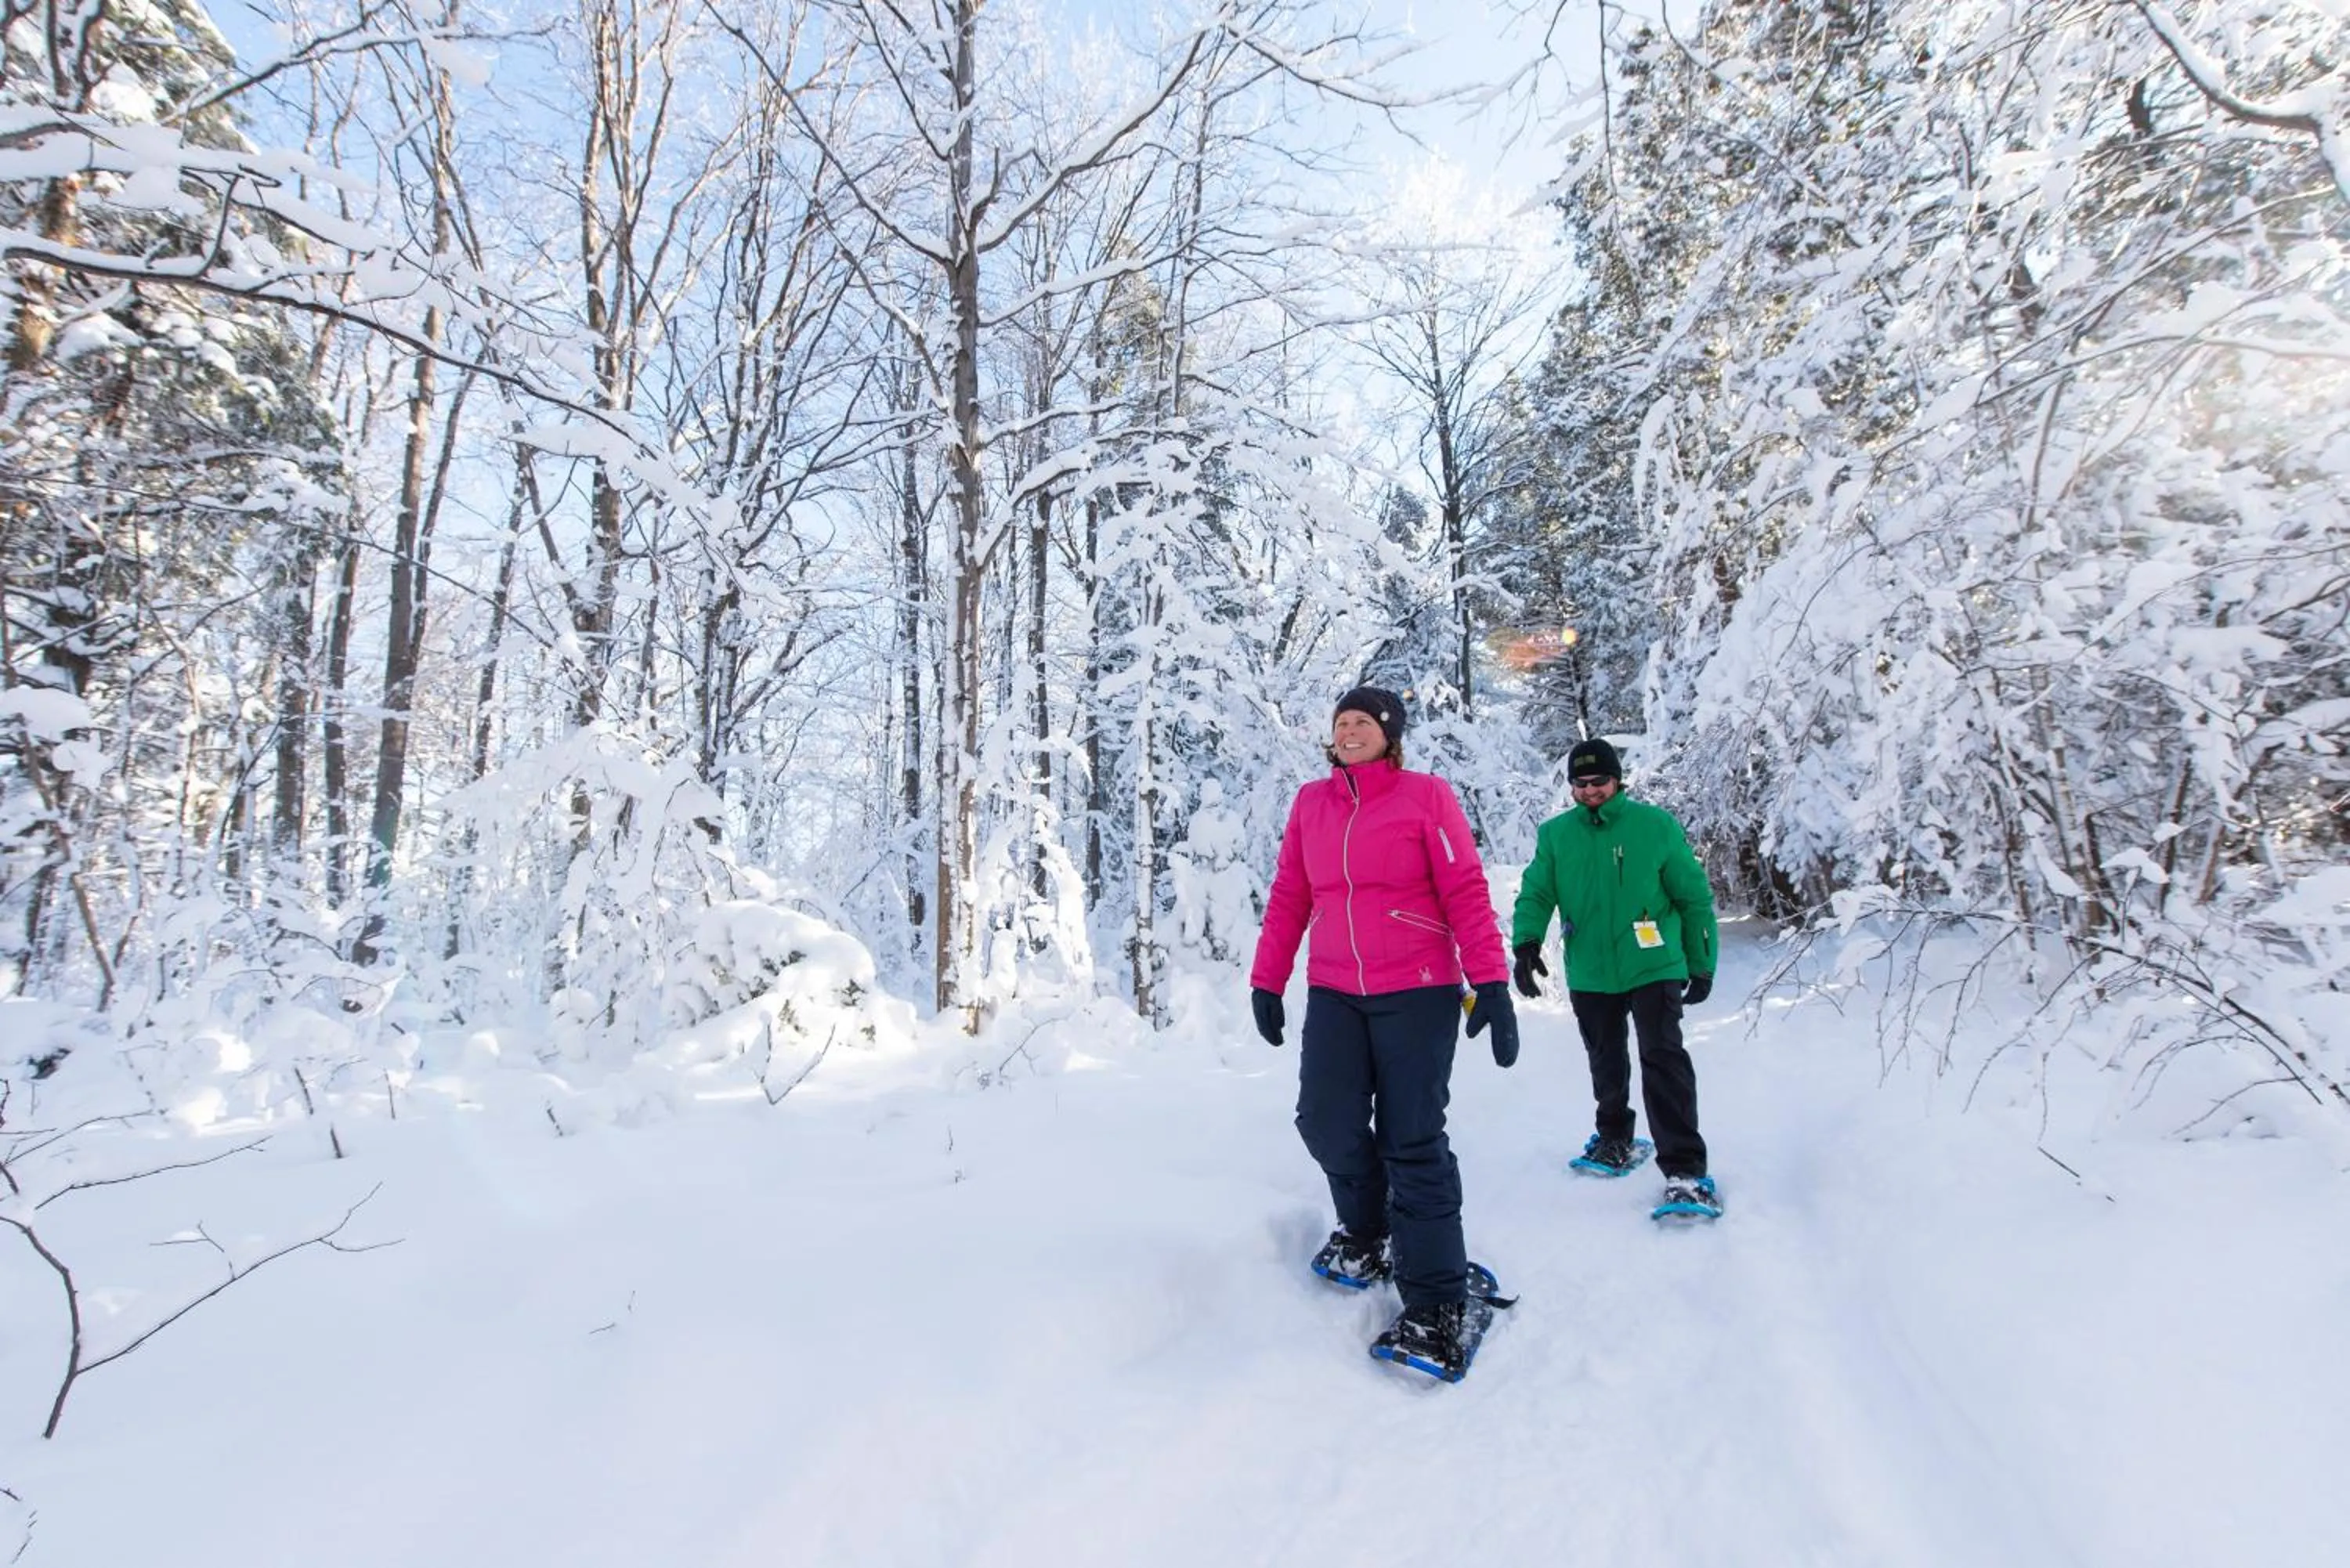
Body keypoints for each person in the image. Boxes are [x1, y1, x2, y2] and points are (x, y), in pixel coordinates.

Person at [1249, 685, 1518, 1372]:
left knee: (1412, 1140)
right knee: (1324, 1121)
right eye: (1342, 721)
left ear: (1389, 733)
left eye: (1363, 721)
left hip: (1418, 990)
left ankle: (1436, 1302)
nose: (1349, 730)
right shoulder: (1312, 804)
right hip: (1336, 990)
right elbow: (1291, 894)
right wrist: (1267, 980)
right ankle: (1369, 1231)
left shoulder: (1426, 797)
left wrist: (1490, 980)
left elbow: (1464, 890)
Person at [1509, 737, 1722, 1216]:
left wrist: (1701, 962)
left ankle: (1686, 1171)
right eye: (1580, 783)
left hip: (1654, 963)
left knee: (1662, 1058)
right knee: (1604, 1058)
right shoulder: (1556, 835)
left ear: (1617, 780)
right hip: (1591, 968)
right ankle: (1614, 1139)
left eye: (1599, 781)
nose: (1590, 791)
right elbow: (1537, 893)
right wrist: (1526, 944)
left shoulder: (1655, 826)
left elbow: (1692, 897)